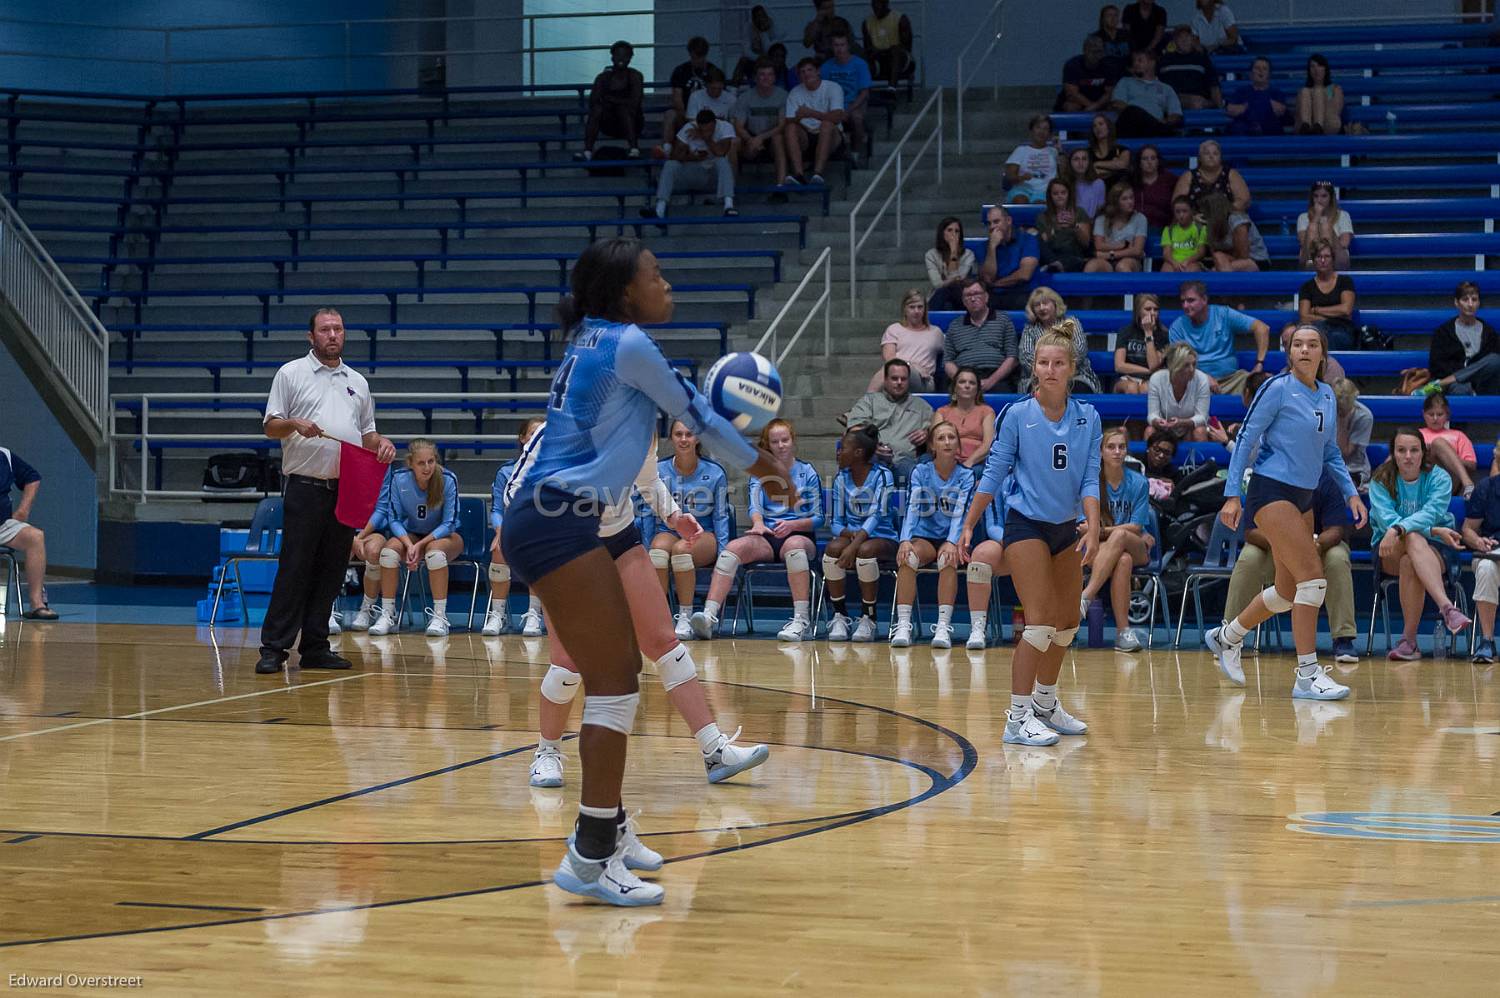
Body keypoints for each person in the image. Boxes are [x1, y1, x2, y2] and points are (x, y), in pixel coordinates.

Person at [500, 238, 791, 906]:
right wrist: (768, 470)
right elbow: (700, 414)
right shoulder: (628, 344)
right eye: (656, 274)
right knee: (613, 679)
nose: (668, 283)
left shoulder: (596, 339)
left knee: (617, 674)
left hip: (569, 516)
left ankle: (611, 826)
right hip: (555, 518)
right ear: (626, 292)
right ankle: (591, 853)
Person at [528, 442, 769, 793]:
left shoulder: (641, 423)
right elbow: (515, 490)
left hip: (618, 538)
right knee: (568, 662)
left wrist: (672, 515)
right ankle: (546, 752)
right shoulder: (566, 420)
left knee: (665, 644)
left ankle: (715, 750)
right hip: (560, 545)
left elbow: (648, 480)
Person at [1207, 324, 1367, 700]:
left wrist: (1350, 494)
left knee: (1287, 591)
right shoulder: (1276, 388)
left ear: (1323, 354)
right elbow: (1246, 438)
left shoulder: (1327, 395)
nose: (1305, 350)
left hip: (1305, 495)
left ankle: (1227, 637)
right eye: (1298, 345)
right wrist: (1233, 495)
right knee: (1313, 578)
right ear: (1289, 353)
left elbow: (1330, 452)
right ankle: (1307, 676)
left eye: (1313, 344)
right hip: (1270, 490)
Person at [959, 331, 1102, 746]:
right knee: (1039, 622)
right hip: (1027, 526)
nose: (1050, 370)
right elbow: (994, 471)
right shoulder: (1018, 414)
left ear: (1073, 369)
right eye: (1043, 363)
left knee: (1067, 623)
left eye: (1059, 363)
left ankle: (1045, 703)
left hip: (1067, 527)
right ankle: (1016, 718)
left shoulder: (1088, 417)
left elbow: (1090, 477)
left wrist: (1092, 527)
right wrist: (970, 523)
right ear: (1033, 367)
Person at [257, 308, 396, 675]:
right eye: (325, 329)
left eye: (338, 329)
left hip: (345, 489)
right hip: (305, 486)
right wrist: (293, 424)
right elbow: (271, 427)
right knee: (294, 569)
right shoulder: (291, 373)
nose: (332, 334)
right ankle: (274, 647)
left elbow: (366, 434)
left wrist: (381, 443)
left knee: (332, 570)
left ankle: (317, 645)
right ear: (311, 336)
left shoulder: (357, 382)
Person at [693, 418, 822, 641]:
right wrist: (759, 524)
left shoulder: (807, 471)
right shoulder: (761, 473)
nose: (781, 445)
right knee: (731, 550)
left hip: (799, 534)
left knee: (794, 549)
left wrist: (793, 525)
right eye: (775, 441)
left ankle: (802, 621)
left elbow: (819, 518)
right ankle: (709, 617)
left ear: (793, 441)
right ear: (768, 444)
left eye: (785, 440)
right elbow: (755, 507)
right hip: (768, 534)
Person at [1224, 468, 1361, 665]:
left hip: (1317, 548)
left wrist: (1316, 544)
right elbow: (1250, 532)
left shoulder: (1325, 480)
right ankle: (1229, 636)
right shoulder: (1265, 478)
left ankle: (1343, 638)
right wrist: (1286, 542)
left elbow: (1336, 529)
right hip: (1275, 547)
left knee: (1338, 557)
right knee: (1249, 557)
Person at [1368, 427, 1469, 662]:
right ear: (1393, 453)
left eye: (1414, 450)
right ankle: (1447, 608)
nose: (1408, 456)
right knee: (1411, 538)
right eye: (1401, 450)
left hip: (1436, 549)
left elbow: (1431, 513)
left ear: (1423, 452)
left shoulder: (1439, 477)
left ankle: (1409, 642)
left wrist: (1406, 528)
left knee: (1410, 560)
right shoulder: (1381, 479)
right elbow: (1387, 522)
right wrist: (1431, 530)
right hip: (1388, 547)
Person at [359, 439, 462, 638]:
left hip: (445, 536)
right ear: (410, 463)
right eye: (421, 463)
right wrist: (408, 544)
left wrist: (421, 545)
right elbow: (394, 518)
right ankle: (388, 613)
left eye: (431, 461)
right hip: (412, 534)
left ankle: (440, 616)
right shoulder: (399, 479)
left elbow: (450, 522)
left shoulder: (448, 479)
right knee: (388, 552)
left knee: (435, 554)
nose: (427, 467)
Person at [890, 421, 975, 649]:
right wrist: (905, 539)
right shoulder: (921, 471)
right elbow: (913, 507)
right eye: (941, 438)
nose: (947, 442)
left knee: (947, 559)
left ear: (958, 444)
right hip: (925, 536)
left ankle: (942, 625)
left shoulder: (966, 476)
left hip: (953, 537)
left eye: (951, 437)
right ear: (932, 446)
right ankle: (904, 624)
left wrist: (951, 542)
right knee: (908, 557)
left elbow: (961, 513)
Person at [648, 421, 730, 639]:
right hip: (669, 530)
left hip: (704, 533)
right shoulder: (658, 470)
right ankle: (660, 617)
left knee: (681, 550)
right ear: (671, 438)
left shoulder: (714, 473)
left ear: (698, 438)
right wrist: (645, 547)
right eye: (678, 434)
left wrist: (723, 555)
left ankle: (685, 616)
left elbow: (721, 516)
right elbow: (648, 512)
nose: (684, 439)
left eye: (689, 434)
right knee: (657, 550)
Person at [1080, 426, 1155, 651]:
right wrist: (1095, 532)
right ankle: (1124, 633)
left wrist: (1101, 531)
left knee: (1123, 536)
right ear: (1101, 451)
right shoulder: (1090, 483)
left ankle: (1085, 596)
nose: (1117, 451)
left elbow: (1136, 527)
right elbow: (1083, 526)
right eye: (1111, 447)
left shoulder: (1139, 482)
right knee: (1123, 561)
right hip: (1099, 550)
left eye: (1121, 447)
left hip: (1137, 546)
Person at [824, 423, 899, 642]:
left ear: (858, 453)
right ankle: (840, 615)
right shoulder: (840, 479)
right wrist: (849, 537)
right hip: (853, 537)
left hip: (883, 537)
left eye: (843, 448)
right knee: (833, 548)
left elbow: (876, 517)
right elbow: (835, 523)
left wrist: (854, 546)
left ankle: (869, 617)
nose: (839, 452)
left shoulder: (883, 476)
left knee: (865, 550)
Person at [480, 416, 547, 636]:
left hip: (542, 531)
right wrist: (500, 531)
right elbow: (497, 510)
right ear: (522, 438)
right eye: (532, 433)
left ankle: (534, 614)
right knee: (499, 549)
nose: (537, 438)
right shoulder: (506, 472)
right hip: (513, 528)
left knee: (538, 550)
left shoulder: (551, 471)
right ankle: (498, 614)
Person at [1169, 279, 1270, 395]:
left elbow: (1262, 328)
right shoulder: (1177, 327)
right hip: (1195, 381)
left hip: (1232, 379)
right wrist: (1203, 377)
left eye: (1191, 300)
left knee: (1261, 385)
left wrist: (1259, 363)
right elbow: (1178, 362)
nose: (1185, 305)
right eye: (1183, 301)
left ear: (1204, 300)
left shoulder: (1223, 314)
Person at [843, 358, 934, 480]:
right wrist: (872, 446)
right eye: (894, 378)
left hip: (905, 462)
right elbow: (855, 429)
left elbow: (938, 431)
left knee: (914, 474)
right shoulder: (870, 401)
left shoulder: (923, 407)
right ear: (885, 380)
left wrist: (927, 434)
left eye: (903, 379)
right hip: (872, 459)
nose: (899, 382)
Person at [643, 109, 737, 220]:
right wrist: (691, 158)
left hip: (713, 175)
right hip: (693, 171)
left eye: (709, 130)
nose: (706, 131)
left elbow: (721, 152)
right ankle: (659, 209)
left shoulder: (725, 127)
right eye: (703, 129)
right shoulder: (688, 128)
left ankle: (728, 206)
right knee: (670, 165)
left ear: (715, 124)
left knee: (722, 161)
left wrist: (705, 137)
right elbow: (675, 156)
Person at [0, 446, 55, 620]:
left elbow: (32, 477)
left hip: (2, 524)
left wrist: (23, 510)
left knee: (35, 537)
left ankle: (37, 604)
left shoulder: (4, 455)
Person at [1423, 281, 1500, 397]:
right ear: (1456, 303)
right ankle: (1449, 382)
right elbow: (1436, 365)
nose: (1470, 304)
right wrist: (1463, 374)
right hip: (1457, 384)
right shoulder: (1443, 332)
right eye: (1465, 299)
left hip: (1483, 383)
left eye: (1474, 300)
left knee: (1495, 359)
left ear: (1479, 303)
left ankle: (1439, 384)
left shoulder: (1489, 333)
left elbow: (1493, 366)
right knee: (1461, 390)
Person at [1018, 287, 1101, 393]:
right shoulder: (1030, 328)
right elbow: (1026, 357)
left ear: (1055, 304)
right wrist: (1047, 373)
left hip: (1075, 376)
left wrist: (1061, 372)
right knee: (1041, 390)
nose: (1042, 308)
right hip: (1038, 378)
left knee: (1075, 389)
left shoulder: (1070, 323)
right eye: (1037, 305)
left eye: (1045, 303)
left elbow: (1080, 350)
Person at [943, 279, 1019, 392]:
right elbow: (947, 361)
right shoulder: (955, 326)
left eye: (977, 294)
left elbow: (1012, 358)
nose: (973, 298)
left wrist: (990, 381)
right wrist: (964, 381)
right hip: (964, 377)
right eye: (968, 295)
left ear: (986, 297)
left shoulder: (1003, 321)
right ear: (963, 301)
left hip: (997, 378)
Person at [1460, 450, 1500, 663]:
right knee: (1485, 568)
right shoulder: (1487, 487)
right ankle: (1487, 640)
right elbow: (1467, 529)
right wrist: (1477, 541)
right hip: (1492, 551)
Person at [782, 57, 845, 187]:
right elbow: (789, 119)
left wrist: (811, 113)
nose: (806, 74)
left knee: (827, 125)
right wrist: (798, 118)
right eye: (802, 72)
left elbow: (838, 117)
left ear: (818, 72)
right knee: (790, 128)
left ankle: (818, 174)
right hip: (807, 136)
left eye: (810, 70)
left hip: (832, 136)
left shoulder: (833, 87)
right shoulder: (795, 92)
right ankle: (799, 175)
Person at [962, 485, 1011, 650]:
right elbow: (993, 525)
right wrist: (1013, 542)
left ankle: (1046, 625)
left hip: (1042, 542)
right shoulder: (1001, 482)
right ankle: (978, 627)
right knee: (981, 556)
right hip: (1009, 542)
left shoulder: (1045, 475)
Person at [578, 41, 645, 161]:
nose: (621, 58)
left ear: (630, 58)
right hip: (608, 122)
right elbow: (594, 101)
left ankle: (634, 149)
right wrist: (610, 101)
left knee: (623, 109)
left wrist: (612, 100)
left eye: (625, 55)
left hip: (632, 122)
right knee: (597, 110)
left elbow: (635, 103)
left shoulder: (635, 76)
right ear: (612, 57)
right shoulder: (603, 77)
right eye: (618, 55)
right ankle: (587, 151)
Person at [872, 288, 944, 392]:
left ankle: (865, 405)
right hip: (897, 374)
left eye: (920, 307)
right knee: (892, 369)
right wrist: (912, 365)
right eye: (912, 307)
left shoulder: (936, 332)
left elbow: (950, 353)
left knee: (893, 370)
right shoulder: (894, 329)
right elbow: (889, 358)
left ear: (925, 309)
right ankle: (868, 404)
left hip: (923, 381)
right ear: (904, 309)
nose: (916, 311)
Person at [731, 59, 789, 184]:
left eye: (769, 74)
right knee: (734, 142)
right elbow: (739, 126)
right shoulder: (745, 97)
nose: (766, 78)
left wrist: (761, 138)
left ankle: (780, 187)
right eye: (762, 74)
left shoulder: (783, 96)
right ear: (755, 78)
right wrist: (751, 139)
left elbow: (782, 125)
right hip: (751, 136)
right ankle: (732, 189)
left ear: (774, 77)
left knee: (778, 139)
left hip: (772, 136)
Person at [819, 30, 872, 163]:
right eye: (836, 45)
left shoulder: (860, 64)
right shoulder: (826, 67)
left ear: (848, 46)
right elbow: (822, 92)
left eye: (842, 45)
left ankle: (855, 152)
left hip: (854, 104)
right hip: (832, 106)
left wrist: (847, 110)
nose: (839, 48)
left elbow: (864, 93)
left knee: (856, 117)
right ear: (832, 47)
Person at [663, 37, 720, 154]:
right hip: (685, 114)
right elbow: (677, 98)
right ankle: (666, 150)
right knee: (670, 114)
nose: (697, 61)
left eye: (701, 57)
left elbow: (718, 96)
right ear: (690, 54)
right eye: (695, 57)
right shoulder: (680, 71)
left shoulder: (713, 71)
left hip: (708, 113)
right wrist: (687, 117)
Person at [977, 205, 1040, 310]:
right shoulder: (984, 247)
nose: (992, 227)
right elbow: (988, 278)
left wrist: (996, 284)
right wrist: (992, 248)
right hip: (995, 296)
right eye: (989, 223)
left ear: (1009, 221)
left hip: (1022, 293)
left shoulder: (1028, 240)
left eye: (996, 222)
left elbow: (1024, 274)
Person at [1110, 49, 1184, 138]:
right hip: (1130, 128)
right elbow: (1117, 104)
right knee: (1132, 111)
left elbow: (1176, 114)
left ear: (1152, 63)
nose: (1135, 64)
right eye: (1134, 61)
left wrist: (1167, 121)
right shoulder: (1125, 82)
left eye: (1140, 60)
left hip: (1153, 130)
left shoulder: (1166, 89)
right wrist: (1144, 117)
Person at [1418, 391, 1479, 498]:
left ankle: (1468, 484)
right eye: (1431, 414)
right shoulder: (1417, 434)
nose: (1435, 418)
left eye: (1440, 414)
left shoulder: (1458, 435)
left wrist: (1448, 457)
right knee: (1405, 442)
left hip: (1450, 482)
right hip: (1421, 480)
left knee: (1438, 443)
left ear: (1447, 414)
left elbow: (1472, 465)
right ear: (1423, 414)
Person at [1298, 240, 1357, 349]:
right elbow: (1304, 316)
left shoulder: (1345, 281)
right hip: (1318, 328)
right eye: (1319, 257)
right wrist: (1327, 318)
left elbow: (1346, 309)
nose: (1323, 260)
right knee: (1315, 334)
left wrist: (1317, 310)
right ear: (1314, 260)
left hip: (1342, 329)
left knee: (1327, 337)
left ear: (1333, 259)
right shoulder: (1306, 287)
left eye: (1327, 256)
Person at [1147, 341, 1212, 440]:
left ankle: (1203, 456)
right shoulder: (1157, 379)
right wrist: (1157, 421)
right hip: (1165, 429)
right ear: (1174, 366)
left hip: (1190, 428)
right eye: (1186, 365)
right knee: (1150, 431)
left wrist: (1182, 422)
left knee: (1200, 431)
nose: (1191, 369)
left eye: (1194, 364)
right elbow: (1152, 415)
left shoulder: (1202, 379)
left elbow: (1202, 417)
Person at [934, 367, 997, 467]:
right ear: (954, 387)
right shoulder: (942, 412)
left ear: (977, 389)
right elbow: (935, 442)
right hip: (946, 462)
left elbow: (988, 444)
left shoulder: (987, 412)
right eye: (962, 382)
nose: (967, 386)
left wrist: (969, 463)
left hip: (976, 463)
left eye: (972, 383)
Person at [1173, 138, 1251, 213]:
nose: (1211, 156)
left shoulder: (1231, 174)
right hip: (1196, 218)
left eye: (1215, 153)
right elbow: (1177, 202)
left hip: (1228, 215)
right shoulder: (1188, 176)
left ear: (1220, 157)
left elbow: (1243, 200)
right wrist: (1192, 215)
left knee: (1240, 222)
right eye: (1207, 153)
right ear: (1199, 158)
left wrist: (1225, 212)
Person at [1036, 177, 1094, 274]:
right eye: (1055, 193)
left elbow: (1086, 243)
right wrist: (1055, 228)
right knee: (1034, 238)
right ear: (1050, 196)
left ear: (1069, 194)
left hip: (1073, 255)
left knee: (1073, 260)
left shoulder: (1079, 212)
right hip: (1052, 254)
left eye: (1063, 193)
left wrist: (1074, 227)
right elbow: (1043, 242)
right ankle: (1055, 264)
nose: (1060, 196)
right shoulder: (1042, 217)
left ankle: (1056, 266)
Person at [1086, 182, 1148, 272]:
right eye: (1124, 199)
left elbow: (1137, 250)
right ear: (1115, 202)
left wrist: (1110, 254)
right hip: (1106, 261)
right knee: (1091, 266)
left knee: (1122, 267)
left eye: (1131, 197)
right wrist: (1122, 246)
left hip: (1130, 260)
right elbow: (1099, 246)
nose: (1130, 202)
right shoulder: (1101, 219)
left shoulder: (1140, 218)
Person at [1158, 24, 1222, 111]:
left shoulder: (1201, 58)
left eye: (1187, 36)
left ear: (1192, 39)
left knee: (1198, 103)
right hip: (1171, 101)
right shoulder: (1165, 60)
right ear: (1174, 41)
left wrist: (1219, 109)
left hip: (1199, 102)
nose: (1184, 40)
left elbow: (1213, 84)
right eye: (1180, 37)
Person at [1201, 190, 1268, 272]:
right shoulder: (1211, 225)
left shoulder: (1237, 220)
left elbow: (1243, 255)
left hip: (1254, 260)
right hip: (1229, 261)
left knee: (1218, 269)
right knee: (1218, 258)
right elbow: (1214, 253)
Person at [1114, 292, 1167, 393]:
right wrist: (1146, 371)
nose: (1152, 313)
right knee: (1132, 388)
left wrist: (1148, 333)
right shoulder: (1126, 332)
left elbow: (1153, 365)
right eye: (1148, 309)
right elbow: (1119, 366)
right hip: (1126, 378)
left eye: (1155, 309)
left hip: (1151, 380)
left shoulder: (1163, 335)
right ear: (1138, 311)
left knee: (1146, 389)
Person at [1226, 56, 1290, 136]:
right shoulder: (1241, 91)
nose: (1261, 71)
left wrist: (1246, 107)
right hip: (1245, 130)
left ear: (1269, 74)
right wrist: (1267, 104)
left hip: (1269, 129)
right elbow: (1230, 110)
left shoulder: (1277, 93)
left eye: (1264, 68)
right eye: (1257, 68)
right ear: (1251, 73)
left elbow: (1281, 111)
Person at [1297, 180, 1353, 270]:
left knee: (1325, 225)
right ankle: (1318, 261)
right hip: (1310, 257)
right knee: (1312, 226)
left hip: (1337, 257)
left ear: (1331, 198)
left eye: (1324, 196)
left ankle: (1325, 260)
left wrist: (1324, 247)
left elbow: (1345, 242)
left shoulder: (1343, 215)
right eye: (1316, 196)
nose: (1319, 200)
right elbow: (1303, 242)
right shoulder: (1303, 217)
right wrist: (1316, 218)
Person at [1058, 35, 1122, 113]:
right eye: (1094, 51)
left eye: (1100, 51)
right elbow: (1072, 94)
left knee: (1116, 106)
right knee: (1071, 107)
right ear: (1085, 50)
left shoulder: (1109, 66)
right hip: (1078, 102)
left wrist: (1095, 106)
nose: (1097, 55)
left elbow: (1109, 93)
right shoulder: (1072, 65)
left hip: (1100, 102)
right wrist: (1091, 106)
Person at [1004, 114, 1059, 204]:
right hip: (1022, 190)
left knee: (1040, 205)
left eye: (1045, 129)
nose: (1041, 131)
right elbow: (1009, 177)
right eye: (1038, 127)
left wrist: (1059, 150)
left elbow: (1065, 173)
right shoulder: (1020, 150)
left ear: (1049, 134)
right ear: (1031, 130)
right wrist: (1021, 178)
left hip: (1046, 191)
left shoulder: (1054, 151)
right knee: (1020, 201)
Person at [925, 216, 977, 309]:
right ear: (942, 233)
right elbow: (937, 284)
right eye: (949, 230)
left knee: (955, 289)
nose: (953, 234)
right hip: (938, 294)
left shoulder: (968, 254)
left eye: (957, 231)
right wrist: (952, 280)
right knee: (943, 291)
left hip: (960, 295)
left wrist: (953, 251)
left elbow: (958, 281)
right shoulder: (931, 255)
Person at [863, 0, 915, 88]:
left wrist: (884, 51)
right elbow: (868, 49)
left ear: (886, 3)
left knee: (896, 51)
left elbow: (906, 47)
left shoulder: (900, 19)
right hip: (880, 61)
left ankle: (892, 88)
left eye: (878, 4)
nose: (875, 7)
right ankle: (863, 91)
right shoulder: (867, 23)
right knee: (861, 58)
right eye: (873, 4)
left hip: (900, 61)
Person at [1335, 378, 1373, 490]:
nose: (1339, 411)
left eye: (1342, 409)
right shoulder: (1325, 409)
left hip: (1354, 469)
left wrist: (1342, 423)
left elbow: (1345, 452)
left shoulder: (1364, 416)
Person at [1129, 142, 1177, 229]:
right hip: (1134, 227)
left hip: (1163, 226)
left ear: (1158, 161)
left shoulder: (1170, 179)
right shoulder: (1131, 180)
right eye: (1145, 159)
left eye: (1153, 158)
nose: (1149, 162)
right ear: (1139, 163)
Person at [1296, 53, 1344, 136]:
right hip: (1307, 125)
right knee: (1305, 91)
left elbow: (1335, 110)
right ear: (1309, 70)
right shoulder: (1305, 91)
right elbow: (1297, 113)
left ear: (1325, 69)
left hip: (1328, 123)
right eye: (1312, 66)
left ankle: (1318, 126)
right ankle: (1307, 127)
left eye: (1319, 65)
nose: (1316, 69)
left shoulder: (1331, 88)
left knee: (1318, 92)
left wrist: (1320, 95)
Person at [1160, 195, 1208, 272]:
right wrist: (1174, 263)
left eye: (1185, 211)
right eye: (1178, 212)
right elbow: (1166, 253)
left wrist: (1188, 261)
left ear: (1192, 211)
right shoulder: (1168, 230)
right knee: (1166, 270)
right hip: (1173, 262)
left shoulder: (1200, 229)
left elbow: (1201, 252)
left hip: (1193, 261)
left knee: (1191, 270)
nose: (1181, 215)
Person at [1058, 146, 1106, 222]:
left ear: (1089, 162)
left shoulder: (1099, 183)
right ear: (1070, 163)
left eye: (1084, 159)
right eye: (1076, 159)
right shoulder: (1064, 183)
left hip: (1091, 225)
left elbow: (1100, 210)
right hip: (1069, 224)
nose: (1081, 163)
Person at [1087, 111, 1132, 183]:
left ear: (1109, 127)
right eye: (1094, 126)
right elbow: (1089, 173)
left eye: (1101, 124)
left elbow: (1123, 164)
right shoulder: (1088, 152)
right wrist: (1112, 168)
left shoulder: (1122, 150)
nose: (1097, 128)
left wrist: (1096, 164)